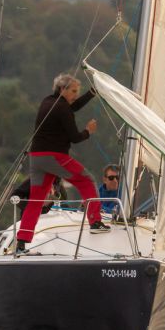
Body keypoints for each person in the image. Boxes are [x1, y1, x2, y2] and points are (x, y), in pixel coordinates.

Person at [15, 73, 109, 252]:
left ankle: (21, 242)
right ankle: (95, 222)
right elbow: (75, 137)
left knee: (36, 201)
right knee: (86, 180)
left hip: (37, 158)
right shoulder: (62, 108)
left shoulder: (48, 102)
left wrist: (91, 93)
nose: (76, 94)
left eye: (77, 91)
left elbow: (72, 107)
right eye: (73, 91)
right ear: (62, 89)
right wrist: (88, 131)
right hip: (54, 157)